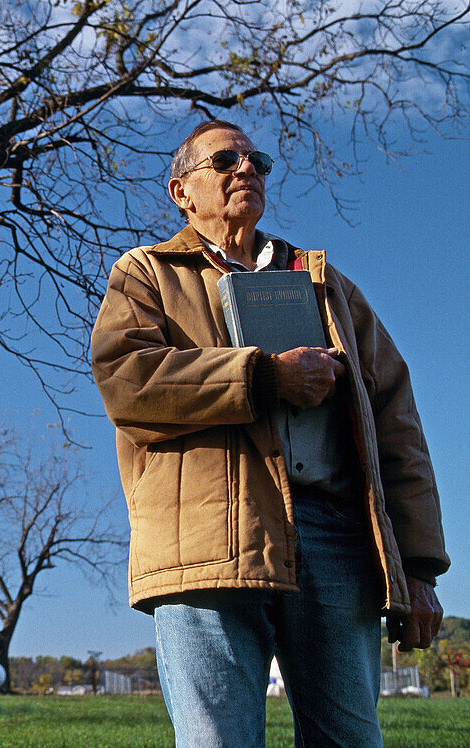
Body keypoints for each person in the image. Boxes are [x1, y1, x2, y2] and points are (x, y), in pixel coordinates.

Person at [90, 120, 448, 747]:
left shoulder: (325, 282)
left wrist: (418, 566)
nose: (246, 169)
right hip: (205, 543)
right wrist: (263, 377)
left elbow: (396, 421)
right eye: (224, 159)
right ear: (182, 190)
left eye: (257, 160)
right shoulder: (145, 273)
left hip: (338, 540)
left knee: (352, 740)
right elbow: (127, 378)